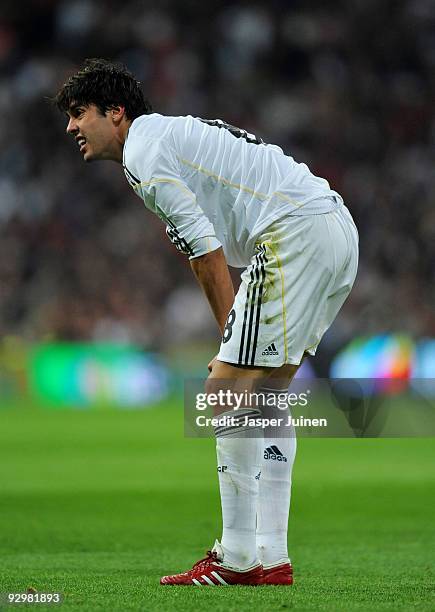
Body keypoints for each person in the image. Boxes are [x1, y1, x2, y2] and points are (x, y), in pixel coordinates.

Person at [54, 58, 358, 586]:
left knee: (224, 391)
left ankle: (237, 559)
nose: (70, 127)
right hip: (333, 227)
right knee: (265, 398)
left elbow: (206, 253)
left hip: (294, 232)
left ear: (116, 112)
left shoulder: (145, 152)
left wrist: (227, 336)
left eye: (79, 113)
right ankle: (272, 556)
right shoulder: (164, 138)